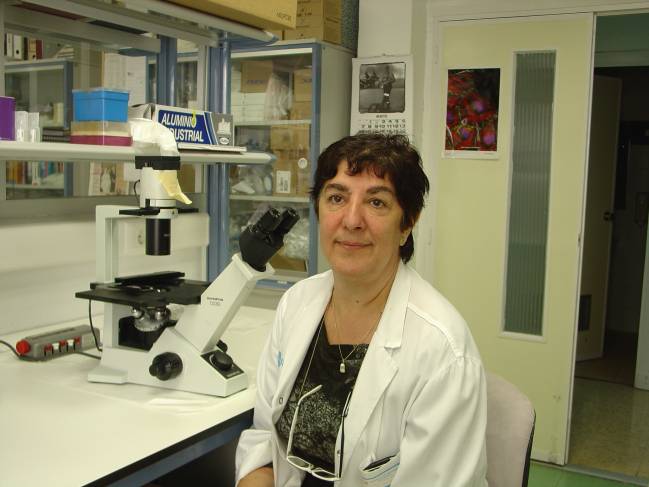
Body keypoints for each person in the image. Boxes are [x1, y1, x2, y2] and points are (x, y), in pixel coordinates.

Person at [236, 133, 488, 487]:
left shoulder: (442, 349)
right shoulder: (297, 303)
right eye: (337, 198)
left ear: (408, 222)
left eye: (377, 203)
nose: (352, 220)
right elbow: (265, 436)